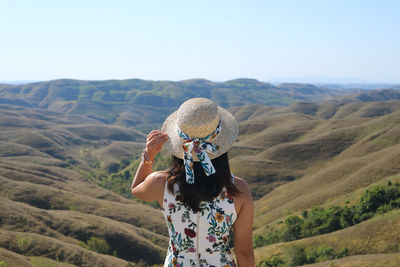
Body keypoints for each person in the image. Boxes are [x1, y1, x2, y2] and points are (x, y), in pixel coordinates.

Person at [131, 98, 254, 267]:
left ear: (179, 144)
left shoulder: (161, 183)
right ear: (221, 146)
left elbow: (136, 189)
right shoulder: (239, 189)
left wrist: (147, 158)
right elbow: (245, 252)